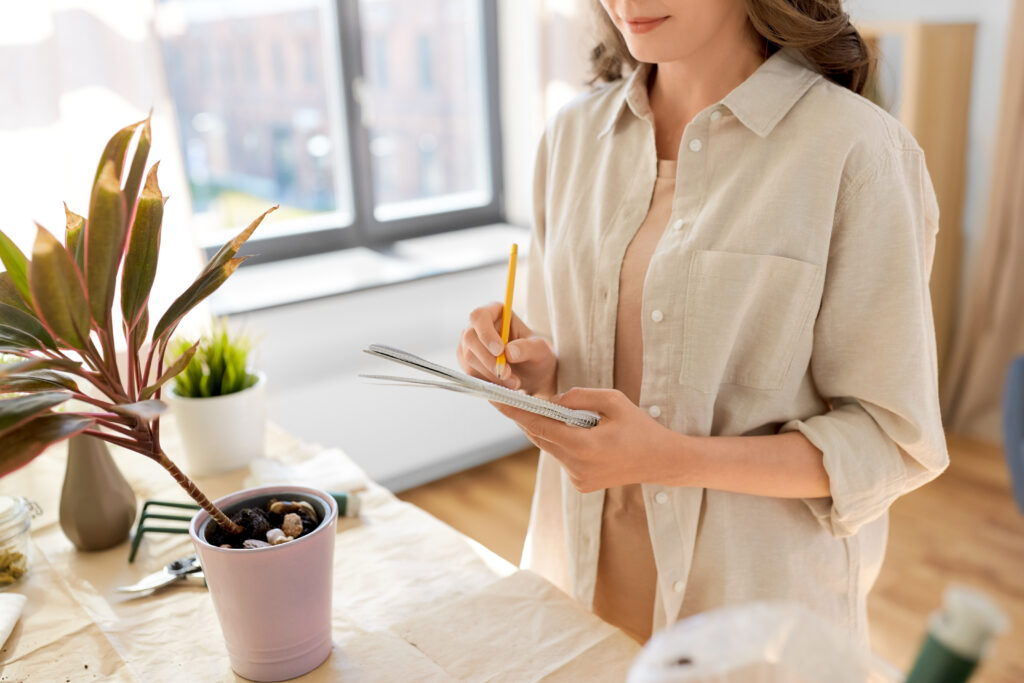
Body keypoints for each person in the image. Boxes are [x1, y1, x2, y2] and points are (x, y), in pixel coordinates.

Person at [456, 0, 948, 644]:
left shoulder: (858, 153)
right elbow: (565, 363)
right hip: (573, 590)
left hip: (751, 616)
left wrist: (674, 458)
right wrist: (535, 370)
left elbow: (889, 440)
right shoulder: (570, 138)